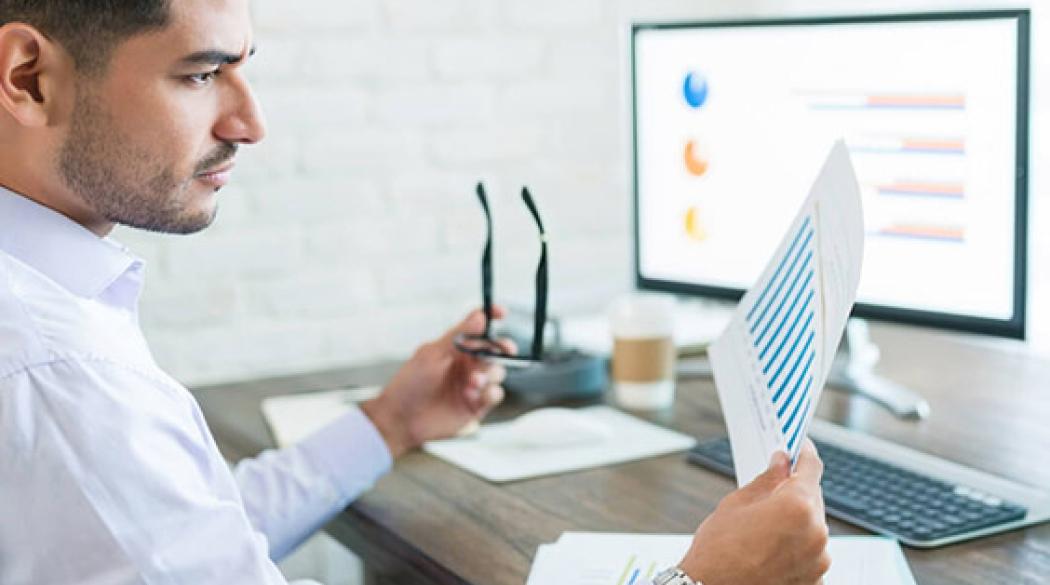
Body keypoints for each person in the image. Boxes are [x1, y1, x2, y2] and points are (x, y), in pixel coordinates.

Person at [0, 1, 831, 584]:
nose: (250, 122)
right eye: (201, 74)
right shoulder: (61, 372)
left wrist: (389, 422)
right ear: (28, 77)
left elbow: (184, 535)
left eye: (243, 68)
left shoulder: (49, 316)